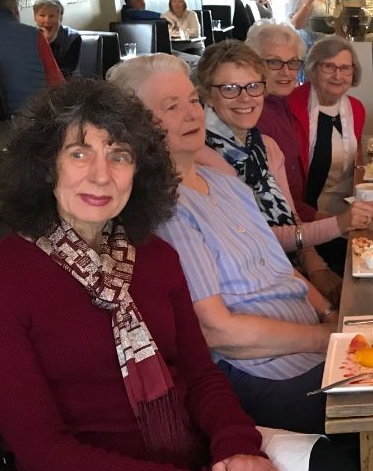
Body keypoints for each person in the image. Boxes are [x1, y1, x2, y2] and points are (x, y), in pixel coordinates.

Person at [0, 79, 275, 470]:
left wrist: (239, 448)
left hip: (202, 454)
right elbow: (42, 451)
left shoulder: (156, 256)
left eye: (119, 156)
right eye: (80, 154)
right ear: (47, 166)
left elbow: (201, 377)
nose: (102, 176)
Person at [106, 55, 343, 436]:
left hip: (313, 344)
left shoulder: (228, 186)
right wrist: (327, 338)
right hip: (265, 372)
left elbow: (285, 272)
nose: (191, 114)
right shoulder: (165, 211)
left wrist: (333, 315)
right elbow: (217, 332)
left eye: (192, 101)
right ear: (134, 128)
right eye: (171, 107)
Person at [194, 40, 373, 304]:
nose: (245, 98)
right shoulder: (205, 161)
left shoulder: (266, 147)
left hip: (291, 269)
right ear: (207, 95)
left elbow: (290, 223)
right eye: (230, 88)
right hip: (253, 292)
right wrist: (338, 225)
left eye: (253, 87)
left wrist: (317, 270)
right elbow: (266, 243)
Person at [247, 23, 318, 222]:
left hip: (300, 218)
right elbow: (269, 204)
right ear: (252, 63)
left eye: (293, 62)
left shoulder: (280, 101)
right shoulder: (252, 114)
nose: (286, 72)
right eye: (274, 63)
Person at [289, 36, 366, 219]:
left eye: (345, 68)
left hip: (346, 210)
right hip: (302, 217)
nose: (337, 76)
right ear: (313, 68)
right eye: (328, 67)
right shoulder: (291, 106)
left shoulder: (356, 109)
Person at [34, 0, 81, 78]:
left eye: (52, 16)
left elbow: (66, 71)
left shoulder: (72, 37)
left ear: (61, 18)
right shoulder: (30, 36)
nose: (47, 20)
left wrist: (48, 42)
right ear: (35, 17)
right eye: (42, 15)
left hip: (68, 84)